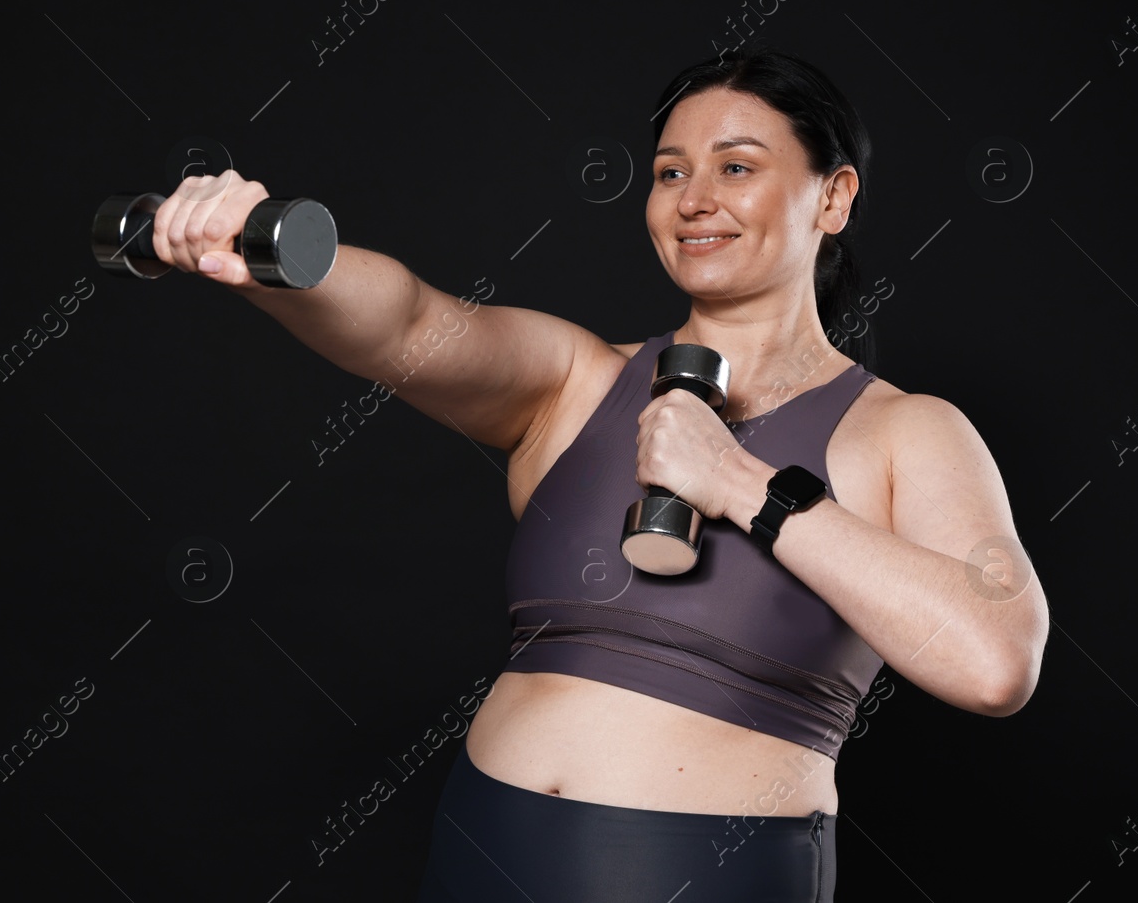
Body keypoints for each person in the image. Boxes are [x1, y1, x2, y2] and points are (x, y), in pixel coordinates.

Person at [148, 49, 1049, 901]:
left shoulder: (907, 431)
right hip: (484, 847)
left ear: (834, 196)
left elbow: (995, 660)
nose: (694, 199)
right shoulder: (578, 380)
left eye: (736, 167)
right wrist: (272, 254)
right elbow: (412, 325)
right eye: (669, 172)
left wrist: (741, 483)